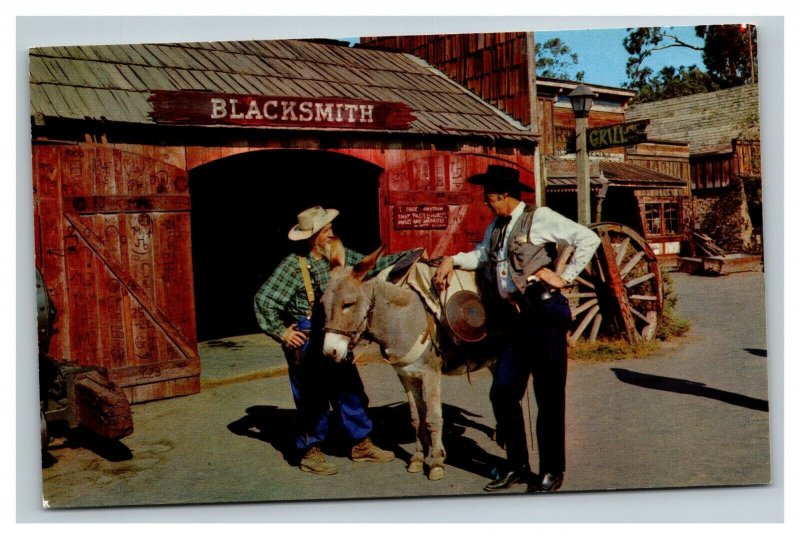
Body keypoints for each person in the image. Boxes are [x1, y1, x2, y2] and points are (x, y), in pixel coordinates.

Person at [433, 165, 600, 493]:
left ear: (505, 195)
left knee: (548, 398)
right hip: (514, 321)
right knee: (503, 393)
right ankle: (518, 465)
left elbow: (588, 238)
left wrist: (564, 276)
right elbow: (482, 255)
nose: (488, 204)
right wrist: (451, 259)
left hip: (545, 315)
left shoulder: (540, 218)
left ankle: (552, 471)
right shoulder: (496, 226)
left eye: (490, 199)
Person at [254, 205, 407, 476]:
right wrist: (282, 331)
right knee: (311, 398)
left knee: (350, 389)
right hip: (308, 337)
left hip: (335, 332)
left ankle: (361, 444)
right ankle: (310, 452)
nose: (331, 234)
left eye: (330, 229)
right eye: (326, 231)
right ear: (311, 237)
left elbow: (370, 266)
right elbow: (264, 300)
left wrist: (409, 256)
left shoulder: (339, 259)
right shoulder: (293, 266)